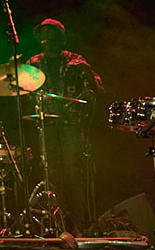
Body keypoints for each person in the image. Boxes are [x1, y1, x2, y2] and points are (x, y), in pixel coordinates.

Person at [25, 18, 104, 233]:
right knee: (51, 174)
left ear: (60, 38)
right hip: (48, 125)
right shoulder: (34, 63)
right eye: (43, 36)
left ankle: (79, 224)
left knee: (73, 173)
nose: (46, 40)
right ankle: (58, 225)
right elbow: (22, 88)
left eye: (51, 35)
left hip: (71, 124)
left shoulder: (75, 61)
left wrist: (83, 76)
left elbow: (96, 88)